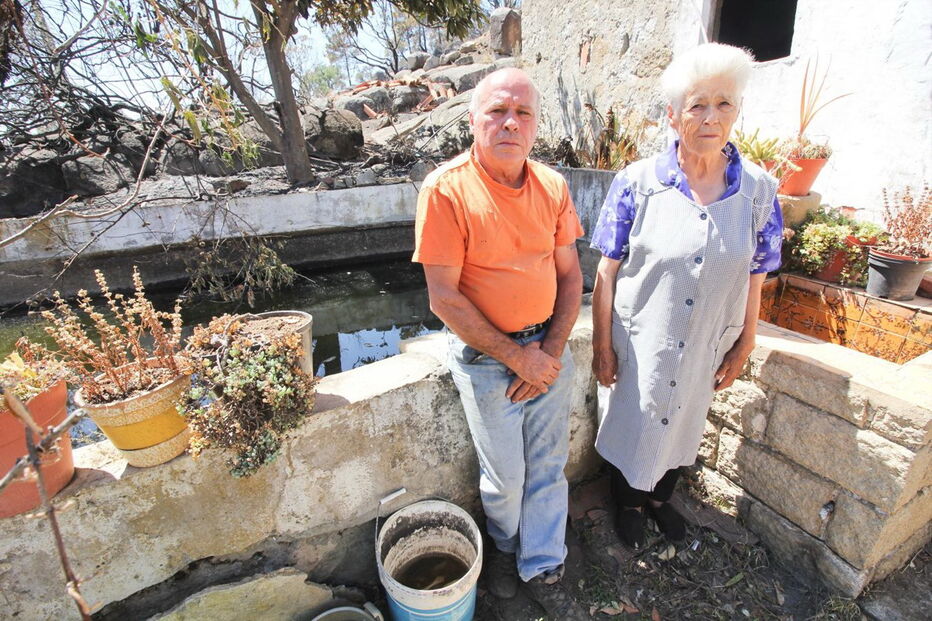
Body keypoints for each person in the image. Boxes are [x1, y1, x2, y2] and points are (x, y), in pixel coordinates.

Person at [590, 43, 783, 548]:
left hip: (707, 340)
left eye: (724, 104)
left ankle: (660, 500)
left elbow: (757, 273)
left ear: (737, 112)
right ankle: (629, 504)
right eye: (697, 104)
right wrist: (601, 345)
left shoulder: (760, 191)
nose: (710, 117)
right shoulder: (636, 183)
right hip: (642, 337)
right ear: (674, 116)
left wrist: (746, 341)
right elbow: (606, 273)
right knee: (634, 420)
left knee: (686, 421)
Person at [412, 68, 587, 619]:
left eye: (523, 113)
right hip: (488, 360)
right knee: (506, 479)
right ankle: (506, 552)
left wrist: (549, 355)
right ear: (473, 120)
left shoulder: (552, 187)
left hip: (546, 348)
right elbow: (444, 298)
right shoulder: (446, 189)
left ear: (535, 126)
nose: (510, 122)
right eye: (496, 111)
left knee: (549, 465)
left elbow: (571, 277)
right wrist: (517, 358)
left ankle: (541, 559)